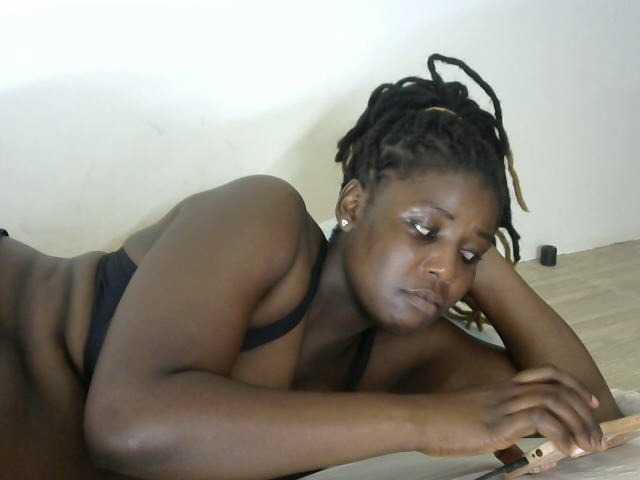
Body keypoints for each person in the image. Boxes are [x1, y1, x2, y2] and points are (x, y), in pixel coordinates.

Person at [0, 54, 622, 480]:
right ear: (353, 204)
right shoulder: (263, 218)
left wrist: (481, 263)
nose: (443, 269)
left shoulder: (413, 353)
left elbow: (598, 426)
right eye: (422, 228)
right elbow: (128, 427)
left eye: (468, 254)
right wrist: (423, 422)